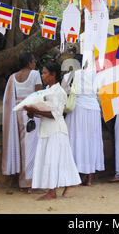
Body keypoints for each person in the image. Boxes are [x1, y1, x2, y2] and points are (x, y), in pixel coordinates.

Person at [24, 61, 81, 200]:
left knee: (52, 159)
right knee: (55, 159)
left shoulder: (59, 92)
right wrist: (31, 112)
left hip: (56, 130)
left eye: (44, 73)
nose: (42, 76)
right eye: (42, 73)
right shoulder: (46, 91)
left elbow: (55, 114)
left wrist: (35, 110)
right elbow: (43, 111)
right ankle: (62, 185)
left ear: (53, 74)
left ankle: (52, 191)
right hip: (46, 129)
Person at [2, 52, 42, 193]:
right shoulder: (35, 74)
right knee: (31, 146)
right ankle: (30, 183)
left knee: (23, 145)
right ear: (30, 62)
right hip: (31, 110)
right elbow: (38, 94)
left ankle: (25, 181)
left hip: (19, 111)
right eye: (34, 61)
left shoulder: (13, 77)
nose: (35, 63)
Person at [65, 57, 104, 186]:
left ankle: (74, 176)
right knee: (92, 141)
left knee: (75, 141)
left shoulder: (70, 75)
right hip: (93, 109)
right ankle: (89, 178)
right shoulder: (95, 75)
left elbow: (63, 89)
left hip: (78, 109)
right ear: (86, 63)